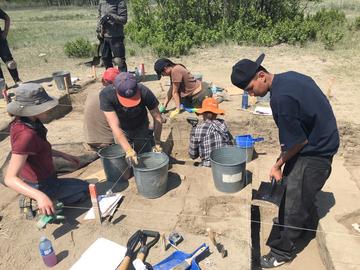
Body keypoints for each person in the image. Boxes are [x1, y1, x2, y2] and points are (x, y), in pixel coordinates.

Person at [231, 54, 339, 268]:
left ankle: (282, 251)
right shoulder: (290, 78)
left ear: (261, 76)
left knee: (292, 201)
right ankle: (302, 224)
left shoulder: (281, 99)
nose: (251, 95)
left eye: (250, 89)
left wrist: (277, 165)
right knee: (295, 188)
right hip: (322, 138)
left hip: (315, 151)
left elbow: (298, 142)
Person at [5, 83, 89, 218]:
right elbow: (9, 178)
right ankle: (37, 204)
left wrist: (63, 155)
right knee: (84, 190)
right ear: (32, 109)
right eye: (44, 106)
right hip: (40, 184)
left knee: (83, 185)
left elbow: (41, 147)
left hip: (48, 178)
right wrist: (40, 196)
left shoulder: (30, 122)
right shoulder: (26, 135)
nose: (49, 109)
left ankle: (38, 197)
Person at [99, 72, 163, 165]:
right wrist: (129, 150)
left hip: (141, 125)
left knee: (144, 156)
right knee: (126, 159)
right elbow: (114, 126)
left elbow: (157, 118)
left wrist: (157, 141)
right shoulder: (106, 95)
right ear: (115, 89)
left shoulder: (144, 91)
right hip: (122, 129)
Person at [188, 97, 233, 167]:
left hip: (209, 165)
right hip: (225, 163)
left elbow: (193, 155)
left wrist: (193, 133)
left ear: (203, 113)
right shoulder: (223, 124)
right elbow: (230, 141)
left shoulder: (197, 129)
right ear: (216, 113)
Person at [83, 67, 119, 151]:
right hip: (107, 142)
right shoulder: (112, 98)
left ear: (102, 81)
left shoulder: (91, 93)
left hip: (89, 139)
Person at [97, 0, 128, 71]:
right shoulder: (102, 1)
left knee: (119, 61)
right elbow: (99, 17)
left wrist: (110, 17)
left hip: (116, 36)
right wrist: (98, 31)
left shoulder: (120, 2)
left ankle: (123, 79)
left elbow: (124, 19)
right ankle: (110, 78)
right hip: (104, 36)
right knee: (105, 59)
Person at [0, 8, 22, 86]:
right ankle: (2, 85)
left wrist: (5, 33)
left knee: (10, 62)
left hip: (1, 41)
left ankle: (17, 80)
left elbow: (7, 18)